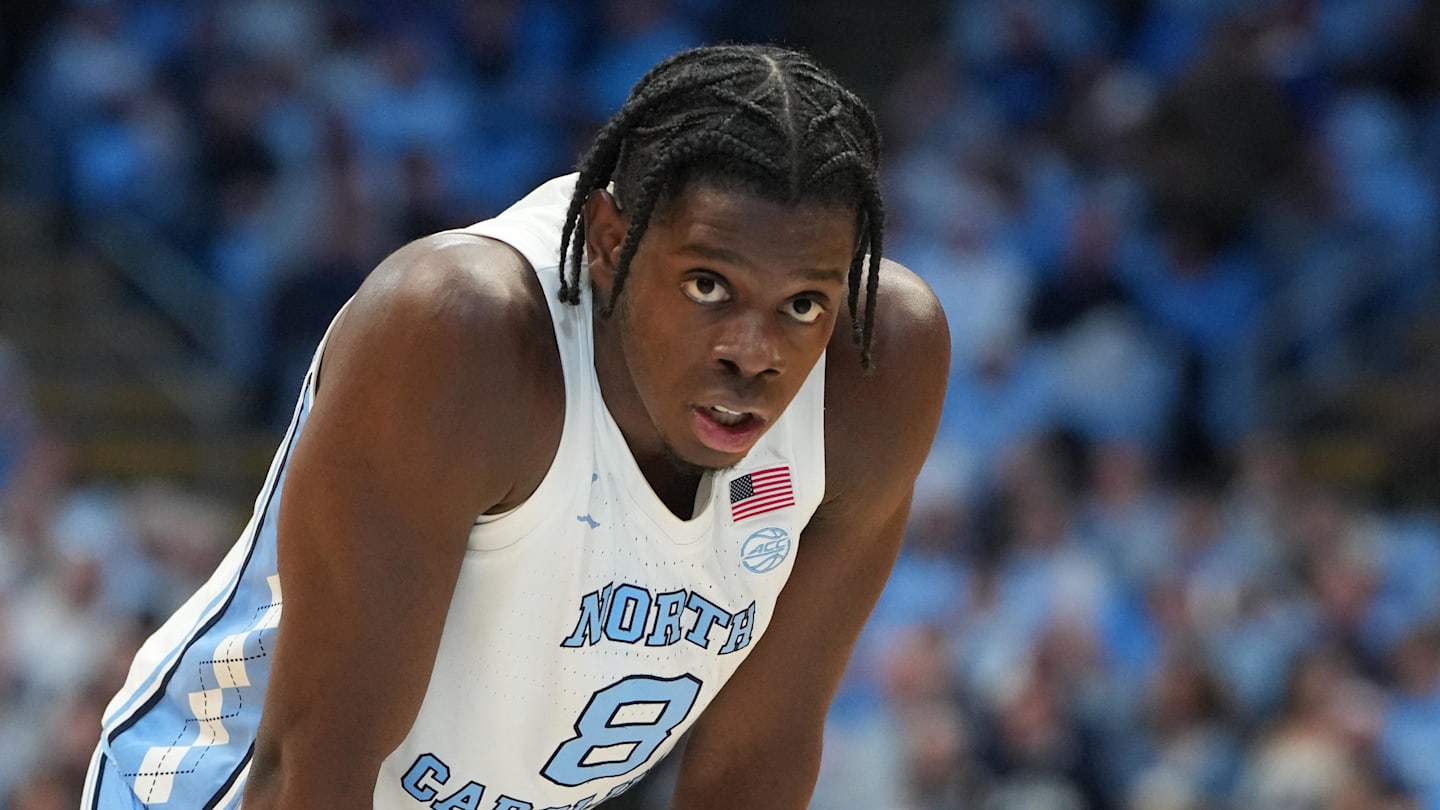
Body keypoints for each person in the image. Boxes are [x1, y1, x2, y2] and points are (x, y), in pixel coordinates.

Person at [82, 44, 950, 809]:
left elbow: (759, 755)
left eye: (802, 304)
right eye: (708, 286)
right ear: (610, 241)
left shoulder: (878, 369)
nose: (752, 353)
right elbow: (310, 766)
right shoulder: (462, 339)